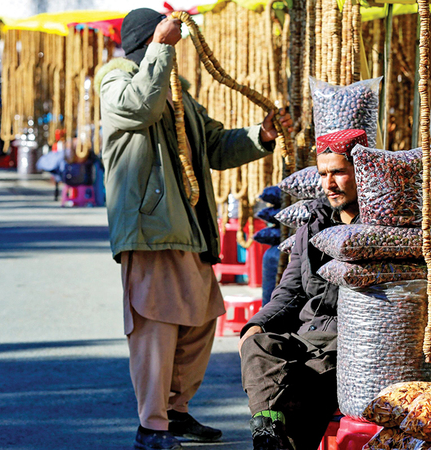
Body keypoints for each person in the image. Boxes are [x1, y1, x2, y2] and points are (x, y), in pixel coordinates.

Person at [95, 9, 293, 450]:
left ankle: (176, 411)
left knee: (201, 320)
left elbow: (216, 145)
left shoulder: (175, 92)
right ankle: (151, 425)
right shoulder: (115, 82)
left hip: (188, 229)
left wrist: (261, 135)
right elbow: (138, 108)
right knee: (156, 328)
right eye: (163, 42)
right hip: (149, 229)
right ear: (150, 43)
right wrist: (162, 49)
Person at [238, 129, 367, 450]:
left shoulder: (380, 228)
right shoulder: (315, 223)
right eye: (324, 174)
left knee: (299, 387)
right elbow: (291, 288)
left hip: (346, 347)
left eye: (338, 172)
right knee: (259, 346)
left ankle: (273, 434)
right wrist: (258, 324)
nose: (329, 184)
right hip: (305, 336)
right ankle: (266, 429)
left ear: (362, 172)